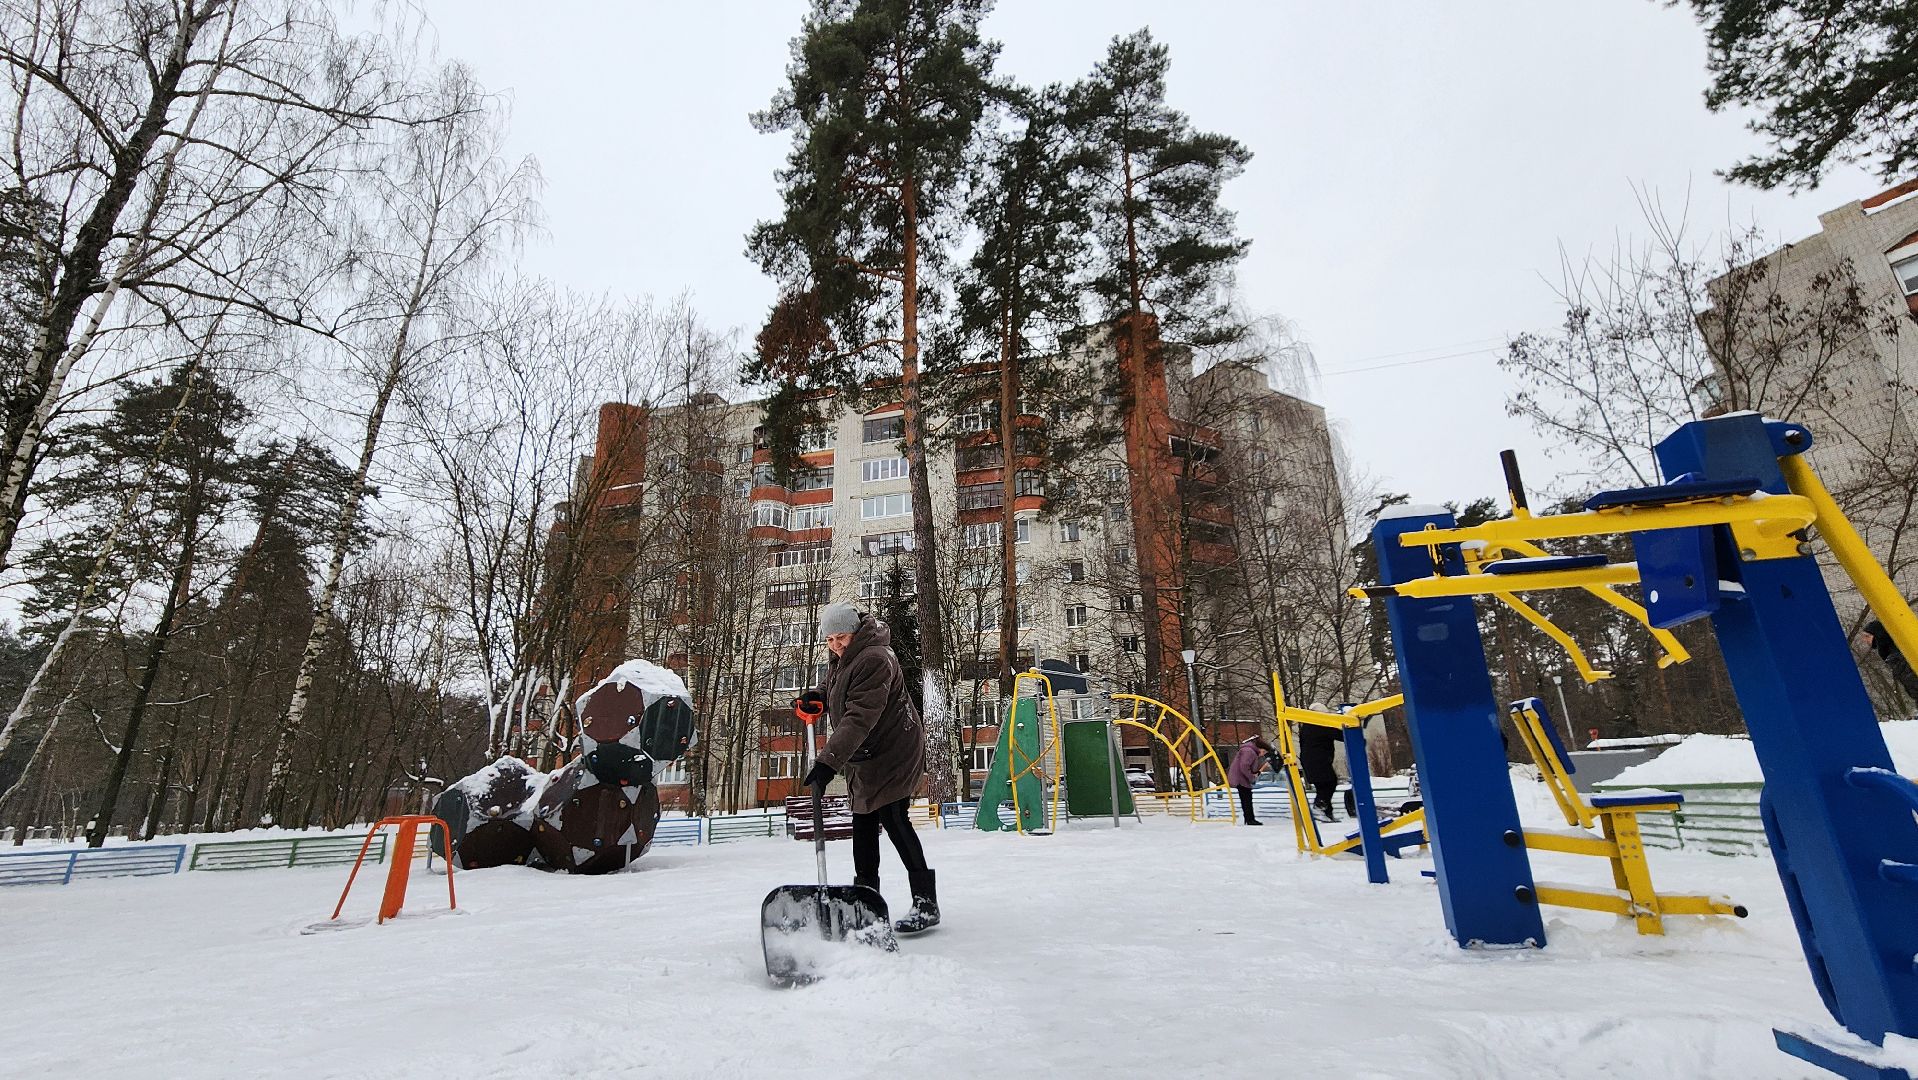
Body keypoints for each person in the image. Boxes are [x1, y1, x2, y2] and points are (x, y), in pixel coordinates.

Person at [797, 602, 938, 935]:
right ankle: (866, 902)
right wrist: (817, 695)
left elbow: (859, 716)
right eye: (830, 639)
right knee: (862, 823)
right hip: (865, 752)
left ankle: (926, 903)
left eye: (841, 637)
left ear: (855, 631)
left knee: (893, 818)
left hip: (893, 751)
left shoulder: (875, 657)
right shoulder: (847, 655)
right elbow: (838, 687)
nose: (836, 645)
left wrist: (827, 762)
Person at [1297, 708, 1341, 823]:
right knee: (1330, 782)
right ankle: (1319, 807)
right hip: (1319, 760)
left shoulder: (1306, 726)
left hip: (1309, 760)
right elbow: (1340, 735)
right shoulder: (1320, 724)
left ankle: (1327, 813)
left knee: (1322, 786)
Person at [1861, 619, 1918, 703]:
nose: (1864, 640)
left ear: (1878, 635)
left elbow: (1911, 681)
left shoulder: (1896, 655)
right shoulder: (1896, 651)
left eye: (1867, 636)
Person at [1226, 736, 1276, 825]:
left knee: (1246, 798)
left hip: (1240, 777)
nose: (1263, 754)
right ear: (1260, 748)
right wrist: (1251, 777)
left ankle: (1249, 819)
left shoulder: (1250, 751)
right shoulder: (1249, 751)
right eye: (1263, 752)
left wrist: (1255, 772)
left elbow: (1248, 766)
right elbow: (1244, 766)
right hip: (1240, 778)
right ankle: (1250, 820)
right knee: (1246, 798)